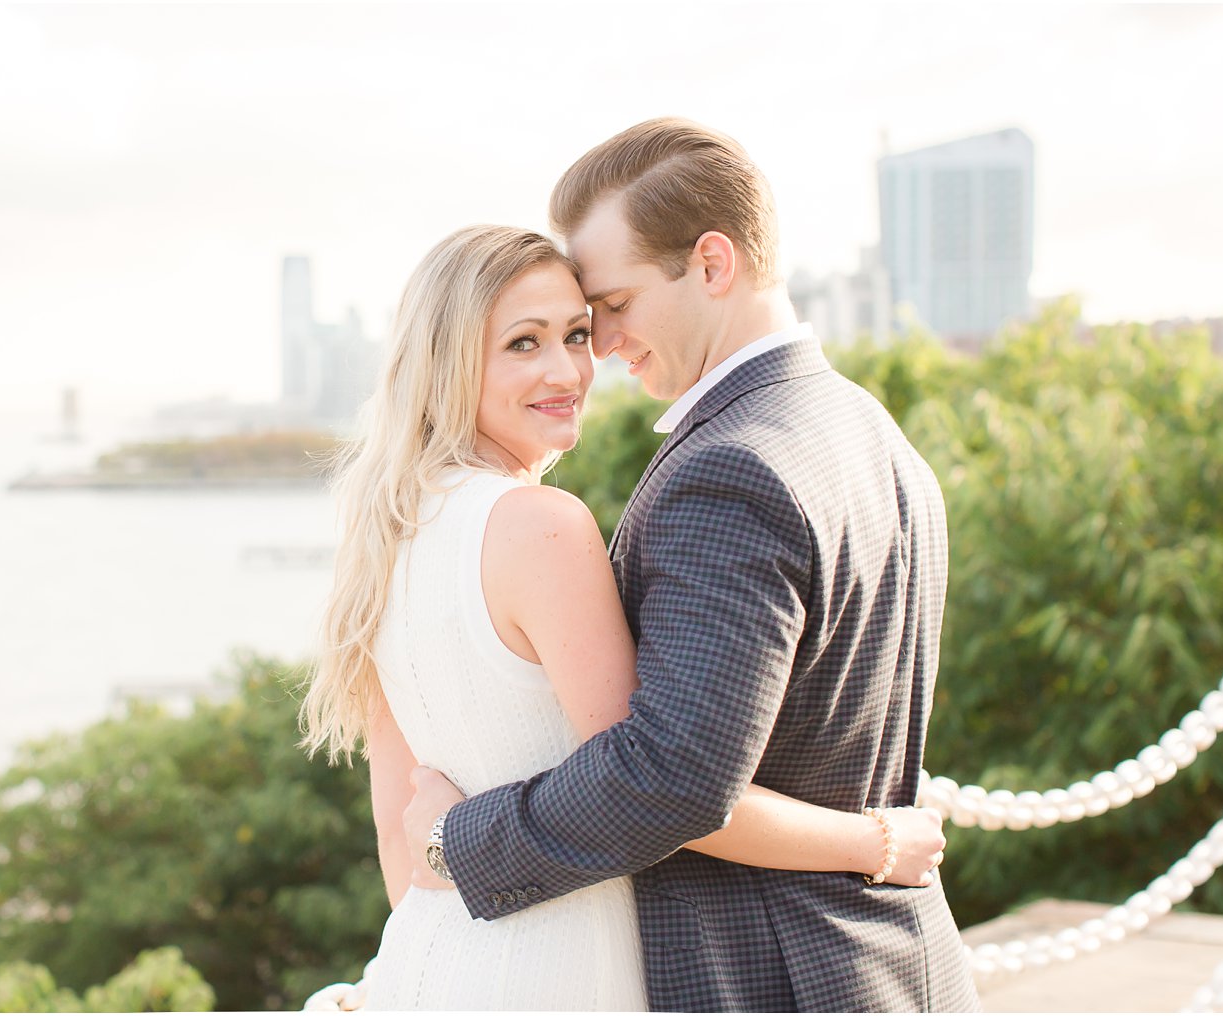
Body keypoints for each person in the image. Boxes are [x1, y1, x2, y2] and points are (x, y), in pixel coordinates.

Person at [400, 120, 981, 1012]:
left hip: (774, 974)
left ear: (712, 264)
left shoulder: (730, 468)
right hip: (888, 958)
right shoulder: (869, 427)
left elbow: (672, 776)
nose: (605, 343)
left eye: (615, 306)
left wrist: (454, 842)